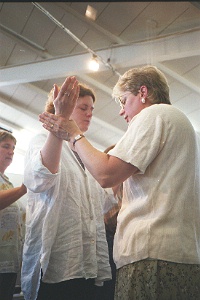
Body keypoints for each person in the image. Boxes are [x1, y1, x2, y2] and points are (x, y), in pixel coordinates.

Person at [39, 65, 200, 300]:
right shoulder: (183, 125)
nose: (122, 112)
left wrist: (73, 133)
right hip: (180, 253)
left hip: (151, 255)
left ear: (143, 92)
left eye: (124, 101)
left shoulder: (154, 115)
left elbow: (106, 174)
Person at [21, 76, 111, 300]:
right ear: (63, 107)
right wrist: (60, 119)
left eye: (92, 109)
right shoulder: (41, 139)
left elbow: (100, 203)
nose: (90, 113)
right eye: (82, 108)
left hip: (86, 261)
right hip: (58, 260)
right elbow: (41, 178)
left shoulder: (86, 150)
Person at [0, 129, 27, 300]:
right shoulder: (15, 188)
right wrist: (24, 188)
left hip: (8, 261)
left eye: (14, 148)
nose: (11, 151)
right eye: (5, 146)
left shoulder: (7, 182)